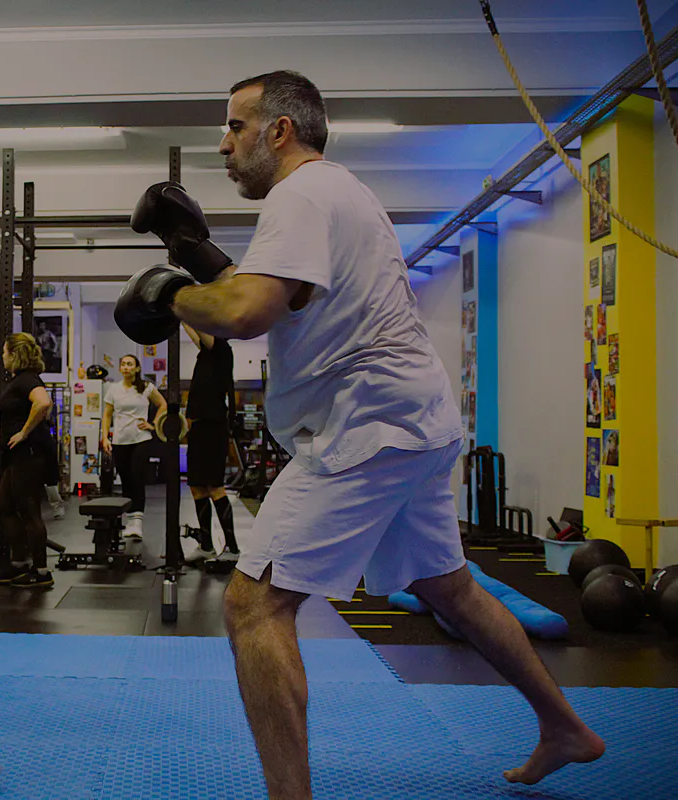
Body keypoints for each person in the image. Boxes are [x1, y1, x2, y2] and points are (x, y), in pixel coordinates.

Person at [116, 70, 602, 798]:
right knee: (452, 590)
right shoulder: (341, 192)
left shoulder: (300, 194)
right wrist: (190, 246)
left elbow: (247, 311)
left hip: (364, 427)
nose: (224, 145)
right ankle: (564, 726)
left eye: (235, 127)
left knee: (254, 605)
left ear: (280, 130)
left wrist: (171, 292)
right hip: (414, 421)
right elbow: (289, 296)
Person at [0, 332, 55, 589]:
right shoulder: (19, 380)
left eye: (4, 352)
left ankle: (41, 571)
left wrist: (24, 432)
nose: (2, 357)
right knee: (5, 504)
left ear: (14, 354)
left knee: (29, 510)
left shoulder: (27, 379)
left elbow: (43, 403)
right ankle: (18, 564)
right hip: (17, 455)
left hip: (29, 454)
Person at [181, 323, 240, 564]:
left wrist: (189, 309)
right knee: (197, 487)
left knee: (215, 487)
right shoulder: (206, 353)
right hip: (198, 427)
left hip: (214, 427)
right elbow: (191, 329)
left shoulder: (222, 349)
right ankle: (206, 546)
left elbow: (199, 327)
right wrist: (177, 310)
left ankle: (232, 548)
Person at [100, 354, 166, 539]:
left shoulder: (146, 387)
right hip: (120, 440)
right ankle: (130, 519)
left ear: (137, 368)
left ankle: (137, 522)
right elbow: (107, 415)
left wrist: (153, 424)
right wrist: (104, 437)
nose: (126, 367)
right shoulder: (113, 389)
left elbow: (163, 404)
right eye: (123, 364)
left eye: (130, 364)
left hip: (141, 439)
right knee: (126, 480)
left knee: (137, 478)